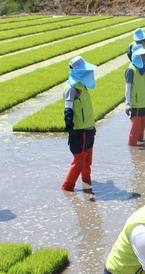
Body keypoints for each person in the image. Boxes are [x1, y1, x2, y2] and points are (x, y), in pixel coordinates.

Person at [61, 56, 97, 192]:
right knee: (79, 160)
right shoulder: (72, 88)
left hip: (88, 128)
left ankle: (87, 183)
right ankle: (67, 187)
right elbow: (68, 107)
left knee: (87, 160)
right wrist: (68, 123)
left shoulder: (82, 86)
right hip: (79, 131)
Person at [125, 45, 145, 147]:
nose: (144, 57)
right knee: (134, 131)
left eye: (144, 55)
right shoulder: (131, 70)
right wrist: (127, 104)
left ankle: (141, 149)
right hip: (136, 105)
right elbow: (128, 88)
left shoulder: (144, 69)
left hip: (144, 103)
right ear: (136, 56)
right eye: (142, 55)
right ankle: (132, 149)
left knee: (142, 129)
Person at [127, 28, 145, 94]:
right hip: (137, 67)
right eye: (140, 40)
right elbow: (129, 55)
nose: (141, 41)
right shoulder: (132, 45)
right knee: (139, 81)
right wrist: (136, 63)